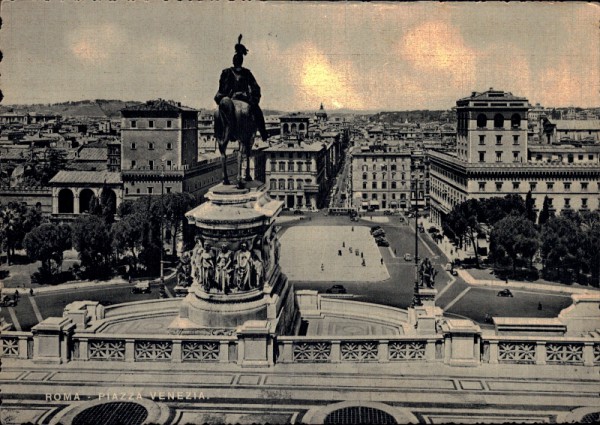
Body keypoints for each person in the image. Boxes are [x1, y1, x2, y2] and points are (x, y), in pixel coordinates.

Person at [214, 34, 268, 142]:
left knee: (217, 113)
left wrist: (222, 97)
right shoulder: (246, 73)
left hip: (231, 98)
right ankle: (263, 133)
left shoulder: (227, 72)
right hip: (244, 98)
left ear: (233, 61)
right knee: (258, 112)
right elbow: (256, 88)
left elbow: (222, 89)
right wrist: (253, 100)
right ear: (241, 61)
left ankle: (219, 133)